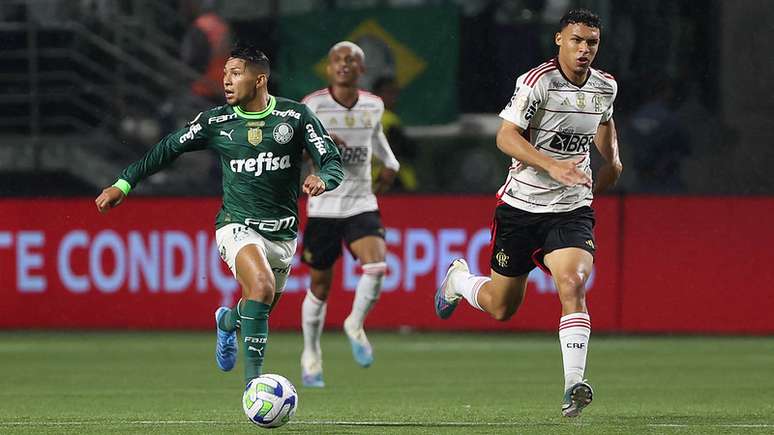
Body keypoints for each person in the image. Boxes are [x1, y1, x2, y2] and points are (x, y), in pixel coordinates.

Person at [94, 44, 344, 386]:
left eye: (235, 74)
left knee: (257, 305)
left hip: (283, 235)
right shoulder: (216, 121)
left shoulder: (296, 117)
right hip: (237, 226)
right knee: (261, 286)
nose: (226, 80)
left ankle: (227, 322)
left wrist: (323, 178)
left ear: (260, 80)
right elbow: (168, 148)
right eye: (225, 73)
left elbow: (331, 160)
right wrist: (123, 184)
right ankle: (254, 388)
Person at [433, 9, 622, 417]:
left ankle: (573, 386)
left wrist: (613, 159)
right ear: (559, 40)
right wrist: (551, 165)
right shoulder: (537, 82)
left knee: (572, 284)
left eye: (591, 42)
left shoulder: (605, 86)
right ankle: (459, 281)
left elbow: (604, 121)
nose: (584, 49)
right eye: (576, 40)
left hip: (570, 210)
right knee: (502, 307)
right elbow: (505, 136)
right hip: (520, 207)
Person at [299, 41, 400, 388]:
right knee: (320, 286)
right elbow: (297, 151)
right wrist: (321, 145)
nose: (344, 64)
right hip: (324, 206)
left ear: (362, 69)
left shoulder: (373, 105)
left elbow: (377, 138)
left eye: (351, 60)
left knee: (377, 265)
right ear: (329, 68)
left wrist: (391, 164)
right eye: (337, 59)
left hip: (360, 202)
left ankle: (355, 323)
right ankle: (311, 354)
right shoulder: (312, 106)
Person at [371, 76, 419, 192]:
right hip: (392, 181)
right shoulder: (388, 119)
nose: (393, 97)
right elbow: (406, 151)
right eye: (389, 92)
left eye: (395, 93)